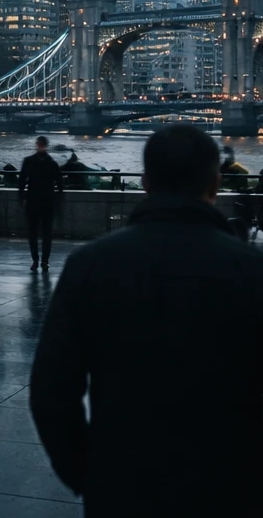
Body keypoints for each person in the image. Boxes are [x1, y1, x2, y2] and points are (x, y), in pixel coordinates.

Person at [30, 123, 263, 515]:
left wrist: (88, 475)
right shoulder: (253, 272)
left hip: (122, 487)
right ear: (215, 185)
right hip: (229, 490)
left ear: (145, 182)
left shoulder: (89, 265)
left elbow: (51, 391)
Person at [18, 135, 63, 271]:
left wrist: (22, 198)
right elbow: (60, 184)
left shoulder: (28, 161)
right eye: (40, 144)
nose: (40, 146)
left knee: (36, 233)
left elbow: (21, 182)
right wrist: (57, 201)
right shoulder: (52, 163)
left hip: (34, 201)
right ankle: (42, 260)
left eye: (41, 144)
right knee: (44, 233)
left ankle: (39, 260)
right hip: (45, 202)